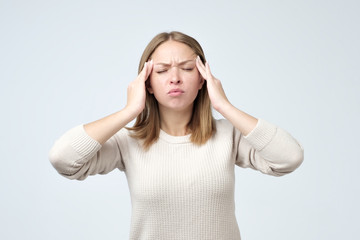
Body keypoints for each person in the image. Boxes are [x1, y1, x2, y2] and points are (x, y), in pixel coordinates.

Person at [49, 31, 304, 240]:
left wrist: (224, 106)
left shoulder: (229, 135)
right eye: (161, 71)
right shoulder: (127, 141)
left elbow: (290, 158)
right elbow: (63, 160)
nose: (175, 78)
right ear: (146, 83)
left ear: (203, 79)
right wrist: (129, 111)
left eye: (186, 68)